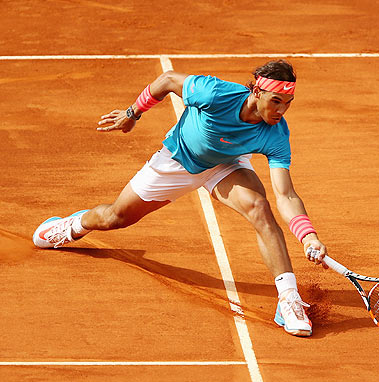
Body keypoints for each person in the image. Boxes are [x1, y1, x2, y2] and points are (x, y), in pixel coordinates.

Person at [32, 60, 327, 337]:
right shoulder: (214, 93)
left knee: (259, 208)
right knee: (115, 218)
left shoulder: (276, 134)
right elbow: (168, 80)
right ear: (256, 91)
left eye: (287, 104)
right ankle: (74, 225)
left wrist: (308, 236)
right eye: (275, 101)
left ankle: (288, 297)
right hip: (178, 160)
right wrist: (132, 114)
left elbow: (285, 194)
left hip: (225, 164)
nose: (280, 111)